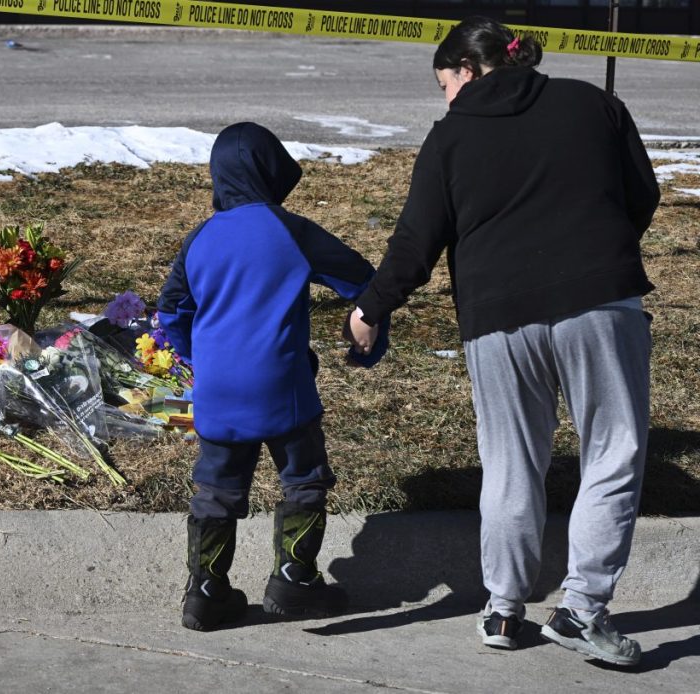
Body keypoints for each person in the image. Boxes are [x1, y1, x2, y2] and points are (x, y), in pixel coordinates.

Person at [345, 16, 659, 667]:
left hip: (495, 317)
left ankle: (503, 607)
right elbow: (644, 194)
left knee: (511, 459)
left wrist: (371, 308)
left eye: (444, 83)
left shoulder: (451, 136)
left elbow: (416, 241)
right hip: (599, 301)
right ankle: (580, 608)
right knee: (613, 450)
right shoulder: (592, 103)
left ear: (469, 67)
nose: (445, 98)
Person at [158, 121, 384, 631]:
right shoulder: (291, 230)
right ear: (270, 170)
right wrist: (369, 343)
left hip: (218, 392)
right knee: (303, 477)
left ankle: (206, 593)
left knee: (215, 488)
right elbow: (363, 280)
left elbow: (171, 309)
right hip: (283, 386)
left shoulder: (200, 239)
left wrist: (201, 358)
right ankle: (294, 580)